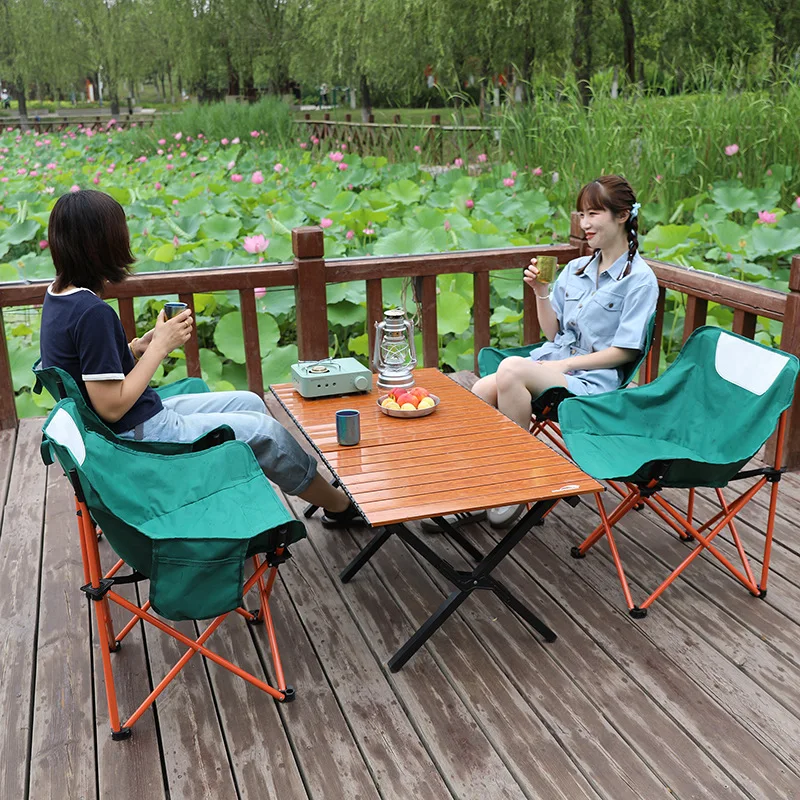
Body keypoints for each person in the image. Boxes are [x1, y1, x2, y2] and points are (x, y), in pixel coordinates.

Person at [39, 189, 360, 527]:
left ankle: (261, 488)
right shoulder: (93, 312)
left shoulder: (59, 296)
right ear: (101, 243)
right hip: (136, 437)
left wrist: (134, 348)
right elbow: (110, 405)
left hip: (131, 423)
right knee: (266, 433)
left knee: (249, 402)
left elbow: (84, 367)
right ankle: (339, 507)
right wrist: (162, 346)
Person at [423, 175, 658, 532]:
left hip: (594, 382)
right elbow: (554, 333)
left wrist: (567, 362)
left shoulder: (639, 280)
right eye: (581, 214)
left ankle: (516, 482)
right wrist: (541, 291)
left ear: (623, 215)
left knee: (513, 369)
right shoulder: (577, 270)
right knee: (482, 391)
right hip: (555, 365)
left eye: (593, 213)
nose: (584, 223)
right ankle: (474, 488)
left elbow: (625, 352)